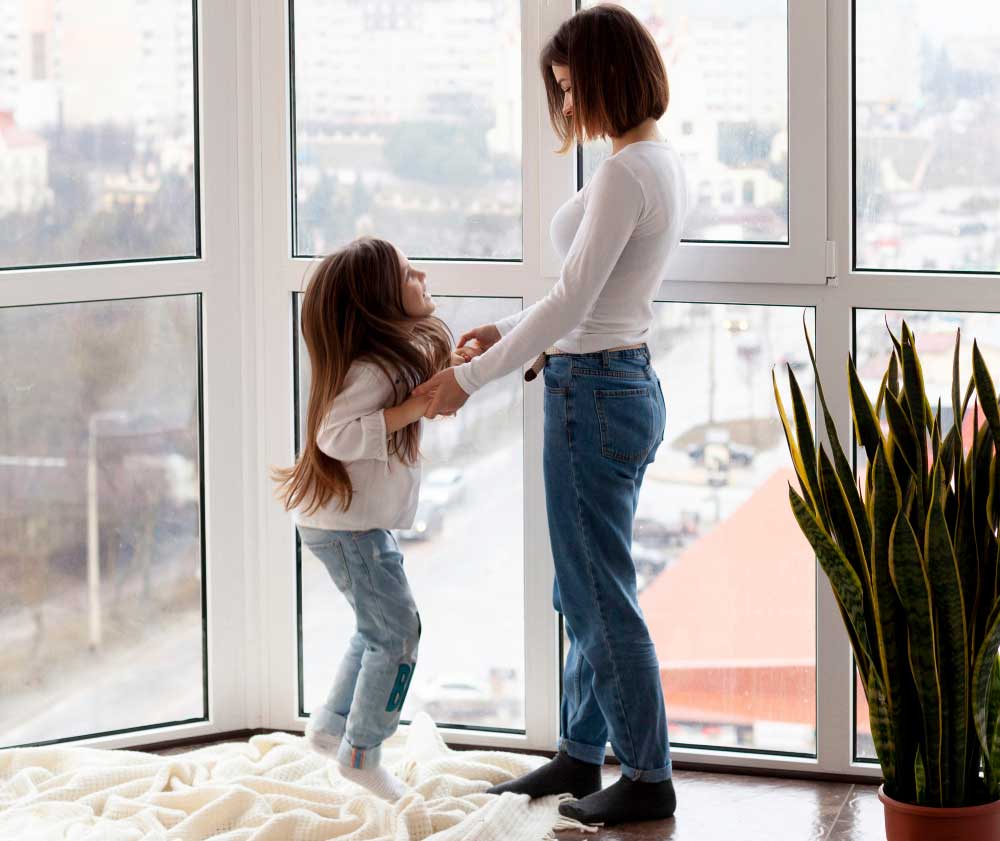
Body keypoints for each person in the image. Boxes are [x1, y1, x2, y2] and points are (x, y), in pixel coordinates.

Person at [414, 4, 687, 826]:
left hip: (595, 393)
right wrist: (512, 333)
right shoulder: (655, 163)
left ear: (607, 76)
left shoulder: (623, 173)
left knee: (599, 595)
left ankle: (647, 773)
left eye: (571, 89)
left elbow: (573, 300)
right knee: (587, 589)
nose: (566, 108)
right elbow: (588, 295)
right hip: (616, 379)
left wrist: (474, 378)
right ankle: (580, 750)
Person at [272, 236, 475, 801]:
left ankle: (332, 730)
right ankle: (361, 754)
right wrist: (410, 408)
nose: (424, 275)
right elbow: (332, 435)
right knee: (399, 634)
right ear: (382, 298)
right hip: (345, 528)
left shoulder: (391, 358)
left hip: (347, 524)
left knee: (378, 628)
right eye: (412, 274)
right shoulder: (371, 370)